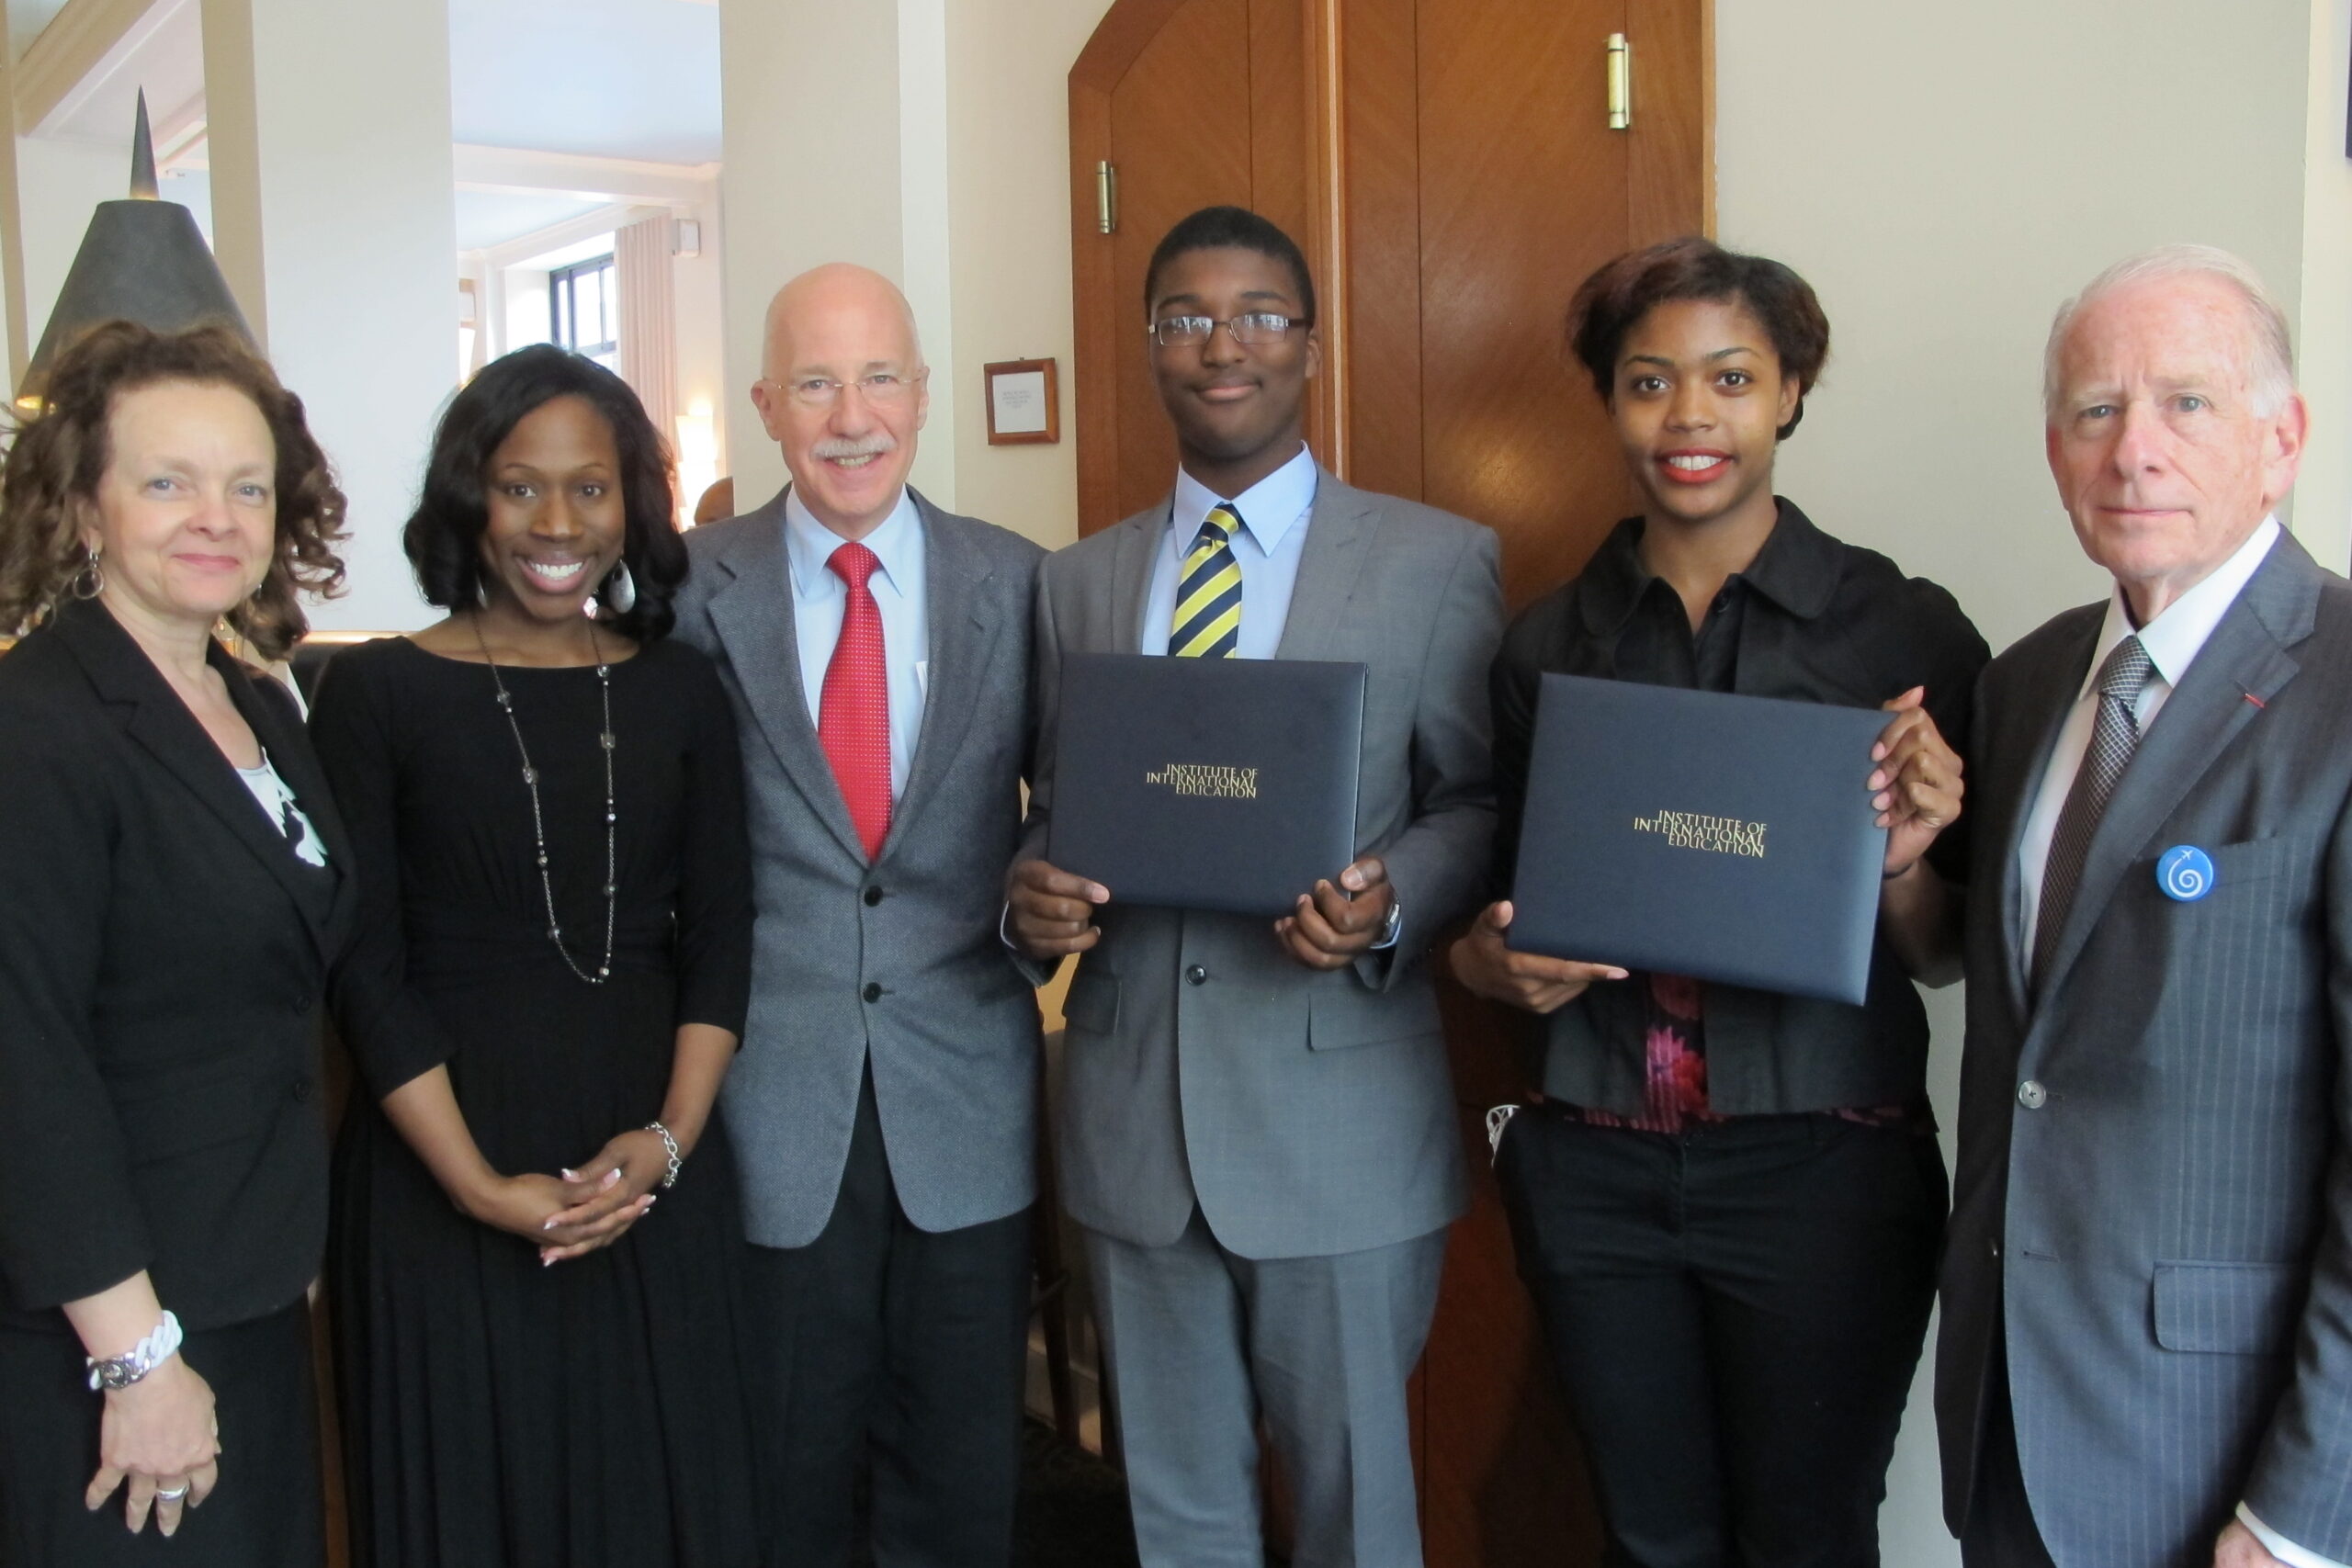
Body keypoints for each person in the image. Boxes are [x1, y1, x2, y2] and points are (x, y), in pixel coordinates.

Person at [1446, 236, 1986, 1568]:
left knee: (1807, 1539)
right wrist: (1487, 965)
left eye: (1731, 379)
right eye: (1648, 383)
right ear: (1610, 403)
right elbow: (1509, 915)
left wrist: (1912, 853)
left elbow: (1946, 955)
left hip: (1824, 1168)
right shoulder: (1546, 646)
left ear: (1790, 391)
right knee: (1651, 1537)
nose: (1689, 417)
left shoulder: (1900, 632)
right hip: (1596, 1161)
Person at [1006, 205, 1501, 1568]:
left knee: (1355, 1515)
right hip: (1131, 1124)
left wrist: (1389, 897)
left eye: (1259, 316)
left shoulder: (1432, 563)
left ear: (1312, 346)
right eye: (1185, 318)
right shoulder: (1081, 582)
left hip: (1335, 1129)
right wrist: (1026, 895)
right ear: (1151, 346)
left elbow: (1476, 798)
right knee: (1177, 1520)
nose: (1222, 346)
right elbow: (1051, 809)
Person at [1935, 246, 2352, 1568]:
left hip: (2221, 1450)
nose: (2135, 452)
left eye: (2188, 403)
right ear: (2055, 450)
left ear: (2282, 439)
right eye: (2095, 410)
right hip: (2010, 1419)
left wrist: (2301, 1516)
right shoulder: (2025, 684)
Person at [311, 344, 760, 1567]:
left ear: (632, 506)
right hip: (438, 1179)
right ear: (470, 497)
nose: (557, 522)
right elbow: (364, 964)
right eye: (520, 487)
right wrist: (473, 1184)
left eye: (591, 487)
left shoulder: (680, 691)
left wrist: (670, 1143)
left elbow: (723, 933)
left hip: (650, 1178)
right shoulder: (373, 695)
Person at [671, 265, 1046, 1568]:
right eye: (818, 382)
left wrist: (1044, 888)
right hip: (768, 1100)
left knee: (959, 1472)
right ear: (769, 404)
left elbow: (1070, 802)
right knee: (783, 1473)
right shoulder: (681, 587)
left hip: (967, 1097)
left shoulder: (1018, 584)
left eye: (880, 376)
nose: (852, 414)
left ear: (923, 397)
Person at [0, 320, 355, 1565]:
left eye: (245, 486)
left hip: (247, 1286)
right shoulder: (38, 725)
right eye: (167, 482)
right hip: (111, 1333)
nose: (216, 516)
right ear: (85, 508)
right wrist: (136, 1357)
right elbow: (24, 1065)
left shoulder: (253, 697)